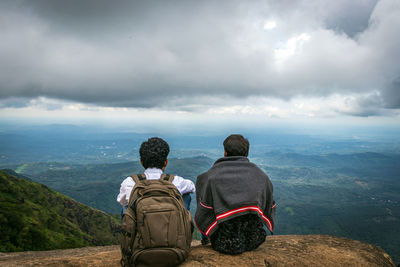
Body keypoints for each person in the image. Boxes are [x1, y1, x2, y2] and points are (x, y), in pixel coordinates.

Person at [195, 134, 276, 254]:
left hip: (222, 242)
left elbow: (204, 212)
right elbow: (269, 206)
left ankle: (205, 240)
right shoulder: (262, 177)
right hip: (254, 239)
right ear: (246, 153)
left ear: (225, 152)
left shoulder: (208, 178)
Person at [117, 137, 195, 217]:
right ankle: (183, 227)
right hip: (171, 226)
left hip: (141, 227)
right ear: (166, 162)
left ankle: (127, 229)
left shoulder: (130, 182)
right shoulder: (176, 181)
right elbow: (192, 187)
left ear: (141, 162)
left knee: (126, 206)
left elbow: (121, 201)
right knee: (186, 196)